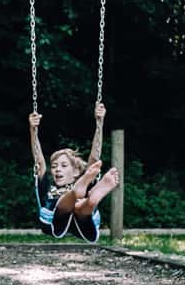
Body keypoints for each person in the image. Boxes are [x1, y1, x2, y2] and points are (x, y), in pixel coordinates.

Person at [29, 102, 120, 243]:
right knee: (66, 203)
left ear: (76, 171)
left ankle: (91, 200)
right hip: (55, 219)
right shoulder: (48, 186)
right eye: (54, 166)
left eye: (64, 165)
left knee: (81, 207)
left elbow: (94, 158)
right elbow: (39, 162)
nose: (57, 169)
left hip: (82, 219)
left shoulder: (83, 176)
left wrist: (100, 122)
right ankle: (79, 195)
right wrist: (33, 129)